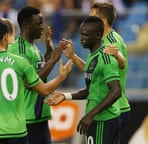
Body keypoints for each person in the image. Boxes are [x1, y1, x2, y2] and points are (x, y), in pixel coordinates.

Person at [0, 18, 73, 144]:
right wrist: (61, 77)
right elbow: (44, 90)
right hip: (17, 131)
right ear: (6, 36)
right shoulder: (20, 63)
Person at [45, 16, 122, 144]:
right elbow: (90, 90)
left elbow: (116, 91)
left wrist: (90, 115)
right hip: (96, 119)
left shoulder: (106, 58)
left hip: (103, 120)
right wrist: (65, 96)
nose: (81, 38)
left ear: (98, 36)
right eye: (81, 34)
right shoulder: (92, 57)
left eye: (85, 35)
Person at [8, 6, 67, 144]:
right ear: (26, 25)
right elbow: (29, 83)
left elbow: (39, 75)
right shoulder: (20, 50)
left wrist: (48, 53)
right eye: (38, 24)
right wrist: (53, 59)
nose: (43, 27)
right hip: (27, 117)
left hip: (39, 116)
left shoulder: (33, 48)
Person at [89, 2, 131, 143]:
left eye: (92, 18)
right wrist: (73, 57)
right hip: (113, 107)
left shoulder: (111, 41)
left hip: (115, 107)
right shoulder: (101, 40)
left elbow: (121, 61)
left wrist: (118, 56)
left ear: (103, 21)